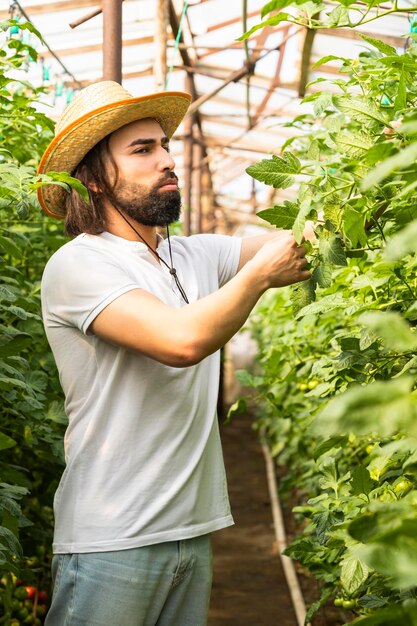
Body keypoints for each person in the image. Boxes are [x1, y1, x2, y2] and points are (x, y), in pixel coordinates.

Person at [38, 80, 310, 626]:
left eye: (165, 146)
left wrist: (363, 174)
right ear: (93, 176)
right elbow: (179, 342)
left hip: (190, 529)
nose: (167, 160)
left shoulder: (193, 255)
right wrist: (258, 277)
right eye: (142, 150)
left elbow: (303, 238)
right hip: (114, 538)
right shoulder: (80, 265)